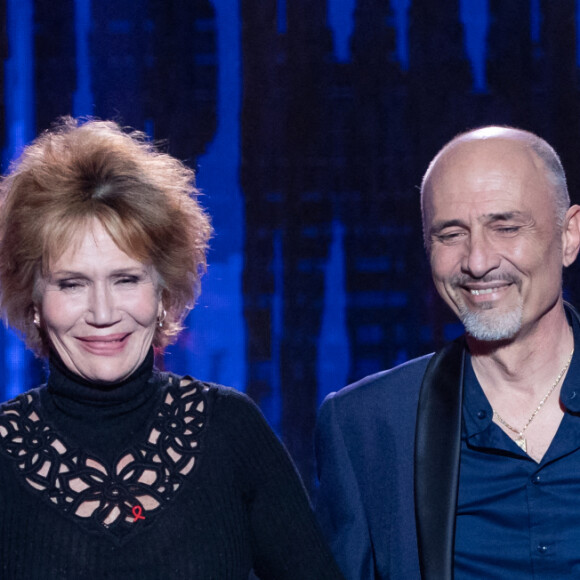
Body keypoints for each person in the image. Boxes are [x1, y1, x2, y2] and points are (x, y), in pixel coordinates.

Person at [0, 117, 344, 579]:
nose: (103, 313)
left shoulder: (230, 429)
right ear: (35, 301)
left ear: (162, 291)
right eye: (72, 284)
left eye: (126, 279)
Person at [315, 126, 580, 579]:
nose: (477, 261)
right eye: (451, 234)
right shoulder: (367, 426)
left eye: (506, 227)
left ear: (569, 236)